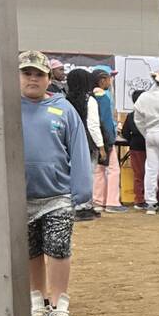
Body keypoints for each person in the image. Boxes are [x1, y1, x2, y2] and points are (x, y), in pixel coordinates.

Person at [20, 50, 93, 316]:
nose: (33, 79)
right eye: (27, 73)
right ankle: (37, 300)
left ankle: (59, 303)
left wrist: (81, 190)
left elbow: (78, 149)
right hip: (21, 197)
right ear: (18, 76)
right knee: (31, 250)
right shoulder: (8, 108)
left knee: (59, 248)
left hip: (58, 196)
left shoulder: (64, 110)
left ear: (48, 78)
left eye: (39, 74)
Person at [63, 67, 102, 222]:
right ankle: (83, 205)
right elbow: (93, 125)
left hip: (67, 140)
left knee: (70, 172)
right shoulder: (89, 100)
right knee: (88, 172)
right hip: (86, 140)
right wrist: (101, 146)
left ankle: (72, 205)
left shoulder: (64, 100)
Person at [132, 67, 159, 214]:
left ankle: (150, 203)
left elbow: (138, 119)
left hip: (150, 133)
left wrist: (146, 133)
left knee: (151, 169)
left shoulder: (144, 97)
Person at [90, 67, 123, 212]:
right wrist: (109, 138)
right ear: (102, 79)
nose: (111, 80)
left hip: (95, 137)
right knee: (113, 169)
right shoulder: (103, 95)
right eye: (109, 77)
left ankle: (98, 201)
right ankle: (112, 202)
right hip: (105, 137)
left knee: (99, 170)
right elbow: (105, 119)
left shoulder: (91, 95)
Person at [120, 89, 148, 211]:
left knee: (139, 174)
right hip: (147, 146)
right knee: (152, 174)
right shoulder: (150, 114)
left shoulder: (131, 115)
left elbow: (125, 132)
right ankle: (154, 199)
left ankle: (139, 200)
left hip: (136, 147)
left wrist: (132, 138)